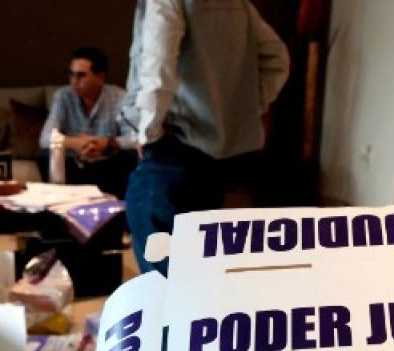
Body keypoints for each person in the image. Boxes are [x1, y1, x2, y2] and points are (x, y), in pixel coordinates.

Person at [122, 0, 290, 273]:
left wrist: (147, 131)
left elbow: (158, 65)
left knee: (157, 248)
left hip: (173, 140)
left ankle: (171, 302)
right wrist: (244, 109)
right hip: (215, 154)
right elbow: (278, 59)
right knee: (195, 256)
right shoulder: (239, 5)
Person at [39, 46, 137, 198]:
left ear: (100, 78)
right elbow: (45, 139)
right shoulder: (63, 97)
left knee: (130, 157)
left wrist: (105, 143)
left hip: (106, 164)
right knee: (45, 154)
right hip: (74, 164)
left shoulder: (119, 98)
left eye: (81, 76)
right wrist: (76, 143)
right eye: (71, 75)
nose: (74, 81)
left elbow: (135, 139)